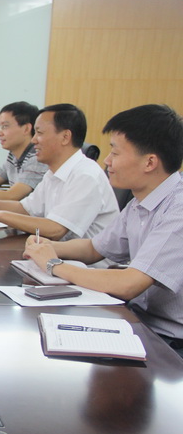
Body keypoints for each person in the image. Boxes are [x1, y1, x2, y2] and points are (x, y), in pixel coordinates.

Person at [24, 104, 183, 347]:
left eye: (115, 153)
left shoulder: (177, 210)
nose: (107, 161)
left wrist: (53, 264)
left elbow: (129, 284)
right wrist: (47, 246)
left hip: (171, 341)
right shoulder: (139, 202)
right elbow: (94, 248)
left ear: (149, 162)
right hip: (138, 320)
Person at [0, 103, 118, 241]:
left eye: (39, 133)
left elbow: (56, 230)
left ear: (65, 137)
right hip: (56, 255)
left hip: (85, 267)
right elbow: (26, 208)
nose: (33, 140)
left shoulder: (85, 175)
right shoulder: (53, 172)